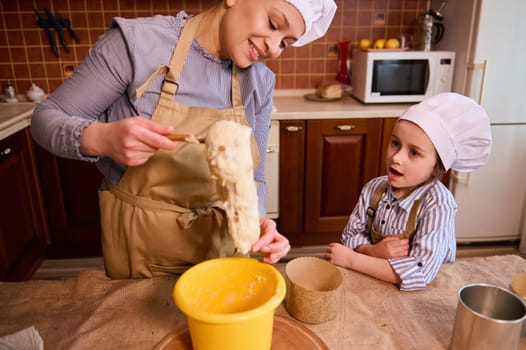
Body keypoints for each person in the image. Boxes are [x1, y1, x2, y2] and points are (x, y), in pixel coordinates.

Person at [30, 0, 337, 279]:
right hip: (141, 257)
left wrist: (257, 220)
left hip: (222, 254)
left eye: (286, 42)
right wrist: (100, 138)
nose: (273, 47)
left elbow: (252, 174)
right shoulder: (137, 45)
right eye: (272, 23)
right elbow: (46, 118)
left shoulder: (259, 80)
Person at [326, 93, 492, 291]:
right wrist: (372, 251)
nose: (396, 157)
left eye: (414, 152)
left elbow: (419, 272)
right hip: (374, 285)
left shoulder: (438, 204)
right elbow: (350, 235)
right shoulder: (374, 189)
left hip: (427, 296)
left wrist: (353, 259)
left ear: (437, 165)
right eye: (395, 143)